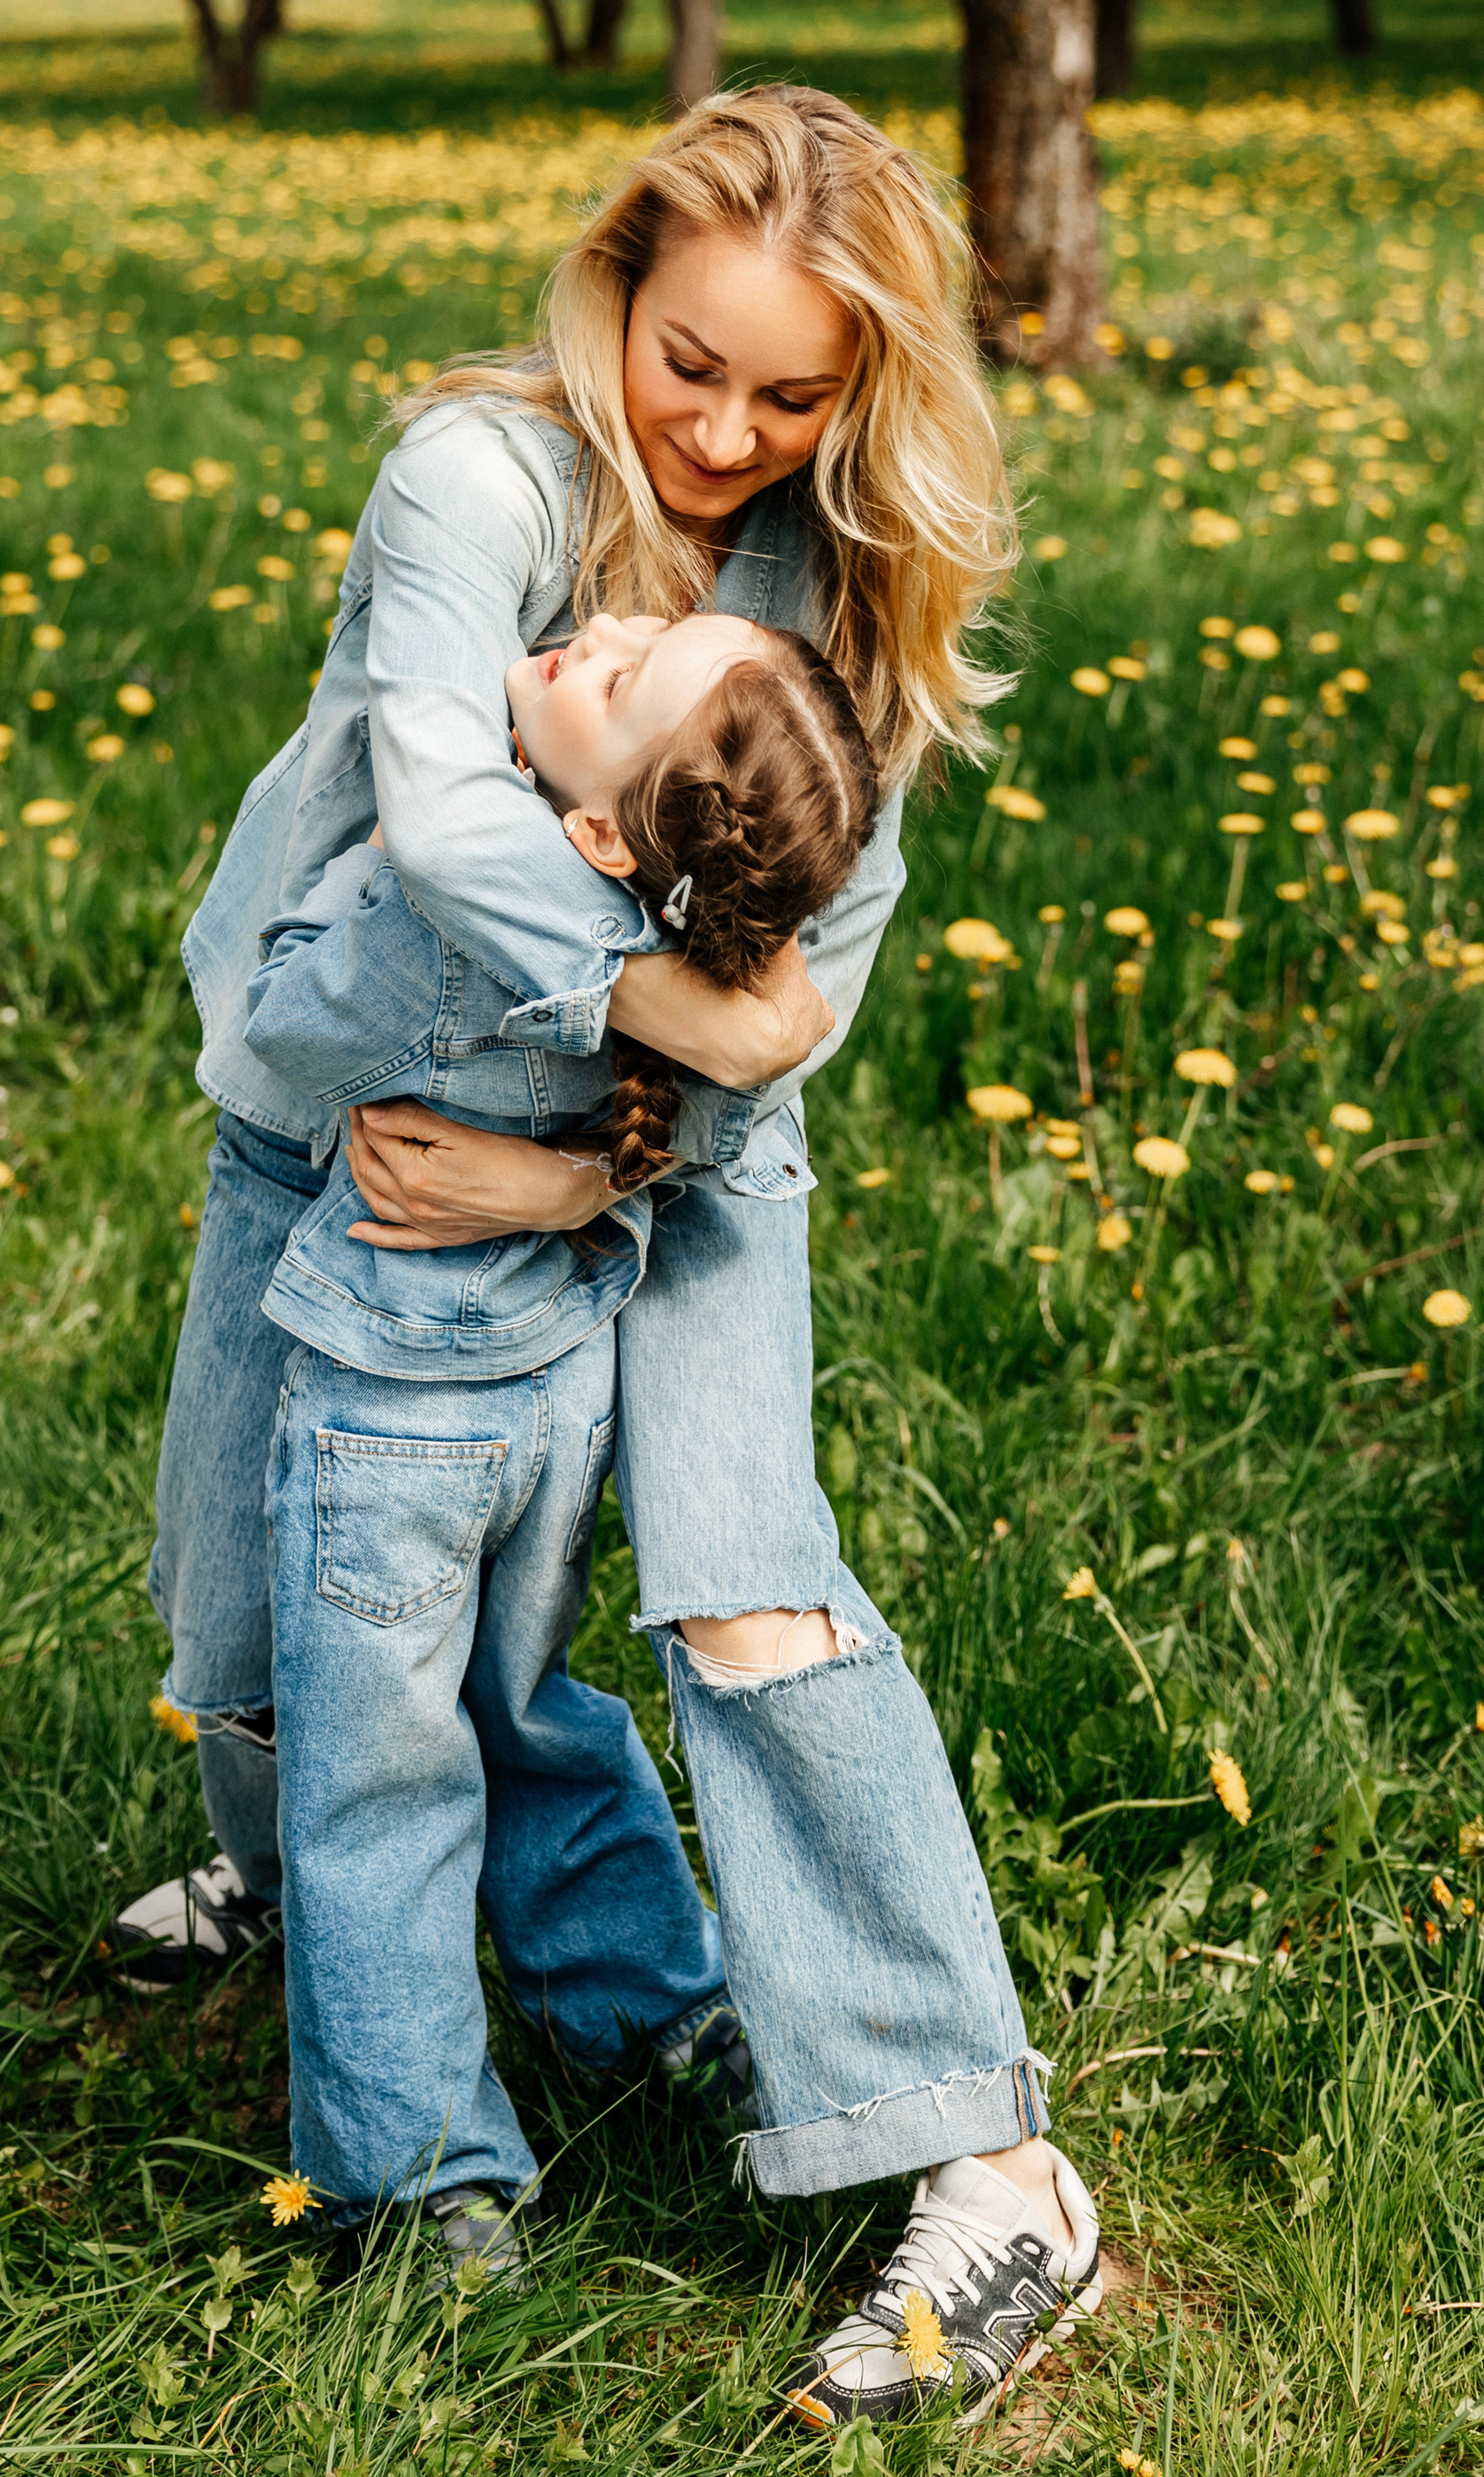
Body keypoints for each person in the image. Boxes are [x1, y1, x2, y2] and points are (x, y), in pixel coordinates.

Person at [126, 86, 1102, 2426]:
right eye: (694, 364)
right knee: (250, 1631)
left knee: (746, 1592)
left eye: (796, 395)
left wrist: (583, 1172)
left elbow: (819, 984)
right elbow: (448, 801)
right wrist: (686, 999)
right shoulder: (482, 475)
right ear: (615, 284)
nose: (729, 434)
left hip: (670, 1177)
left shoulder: (840, 576)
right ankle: (332, 1879)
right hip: (342, 1126)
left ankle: (984, 2170)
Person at [236, 607, 880, 2267]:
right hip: (558, 1385)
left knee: (376, 1782)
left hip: (394, 1408)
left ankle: (418, 2176)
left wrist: (368, 873)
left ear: (595, 830)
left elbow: (287, 1026)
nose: (601, 624)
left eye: (618, 672)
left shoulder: (452, 903)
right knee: (529, 1708)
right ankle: (653, 2012)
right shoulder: (697, 960)